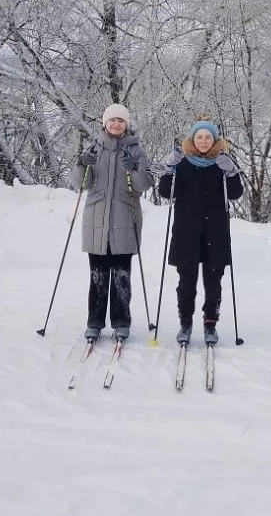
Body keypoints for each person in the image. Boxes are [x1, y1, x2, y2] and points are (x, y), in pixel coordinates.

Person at [157, 115, 243, 346]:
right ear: (192, 140)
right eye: (199, 137)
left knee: (213, 283)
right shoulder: (183, 164)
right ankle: (185, 322)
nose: (203, 141)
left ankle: (210, 322)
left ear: (214, 140)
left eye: (208, 137)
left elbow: (235, 193)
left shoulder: (222, 163)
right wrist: (169, 170)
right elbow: (166, 193)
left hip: (215, 232)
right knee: (186, 282)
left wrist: (231, 172)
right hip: (187, 233)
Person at [71, 103, 154, 342]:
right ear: (105, 123)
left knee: (121, 276)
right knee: (97, 276)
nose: (116, 124)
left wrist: (134, 168)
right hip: (96, 221)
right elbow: (80, 185)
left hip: (125, 219)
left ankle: (121, 322)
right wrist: (81, 164)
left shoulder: (136, 151)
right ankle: (94, 322)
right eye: (112, 120)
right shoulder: (93, 148)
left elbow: (144, 185)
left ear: (126, 124)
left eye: (121, 120)